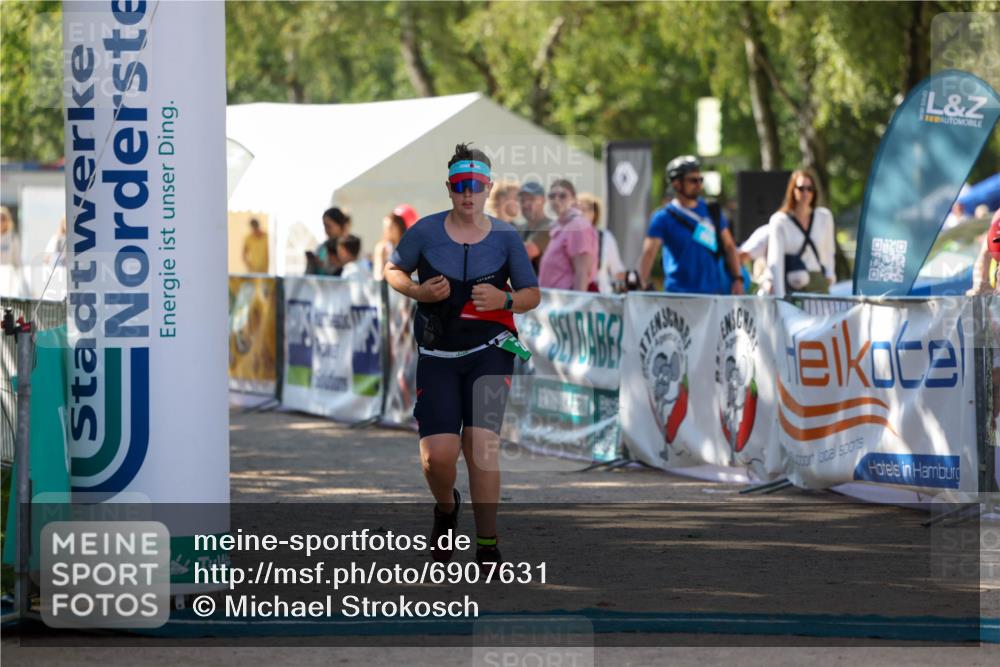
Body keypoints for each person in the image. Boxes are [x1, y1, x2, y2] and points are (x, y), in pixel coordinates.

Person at [383, 143, 540, 567]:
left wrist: (504, 300)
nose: (467, 194)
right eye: (458, 186)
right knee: (438, 457)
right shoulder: (425, 232)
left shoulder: (506, 237)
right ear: (448, 188)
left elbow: (532, 294)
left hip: (490, 353)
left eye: (474, 185)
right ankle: (446, 509)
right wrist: (417, 290)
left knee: (481, 446)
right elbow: (392, 270)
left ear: (487, 188)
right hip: (437, 354)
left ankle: (487, 546)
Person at [637, 156, 745, 295]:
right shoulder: (662, 217)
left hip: (712, 294)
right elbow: (649, 253)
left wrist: (738, 279)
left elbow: (729, 246)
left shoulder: (712, 210)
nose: (698, 184)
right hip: (678, 295)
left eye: (701, 180)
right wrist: (641, 284)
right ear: (676, 183)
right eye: (693, 180)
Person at [765, 169, 836, 297]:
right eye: (801, 188)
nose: (805, 193)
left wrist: (830, 275)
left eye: (810, 189)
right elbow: (775, 261)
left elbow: (829, 250)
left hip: (818, 284)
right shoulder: (779, 220)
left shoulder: (824, 216)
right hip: (792, 286)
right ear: (792, 190)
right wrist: (781, 297)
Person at [538, 180, 598, 291]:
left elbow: (582, 272)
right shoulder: (561, 226)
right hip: (554, 302)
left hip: (566, 302)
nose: (556, 200)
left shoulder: (578, 225)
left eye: (562, 196)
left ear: (574, 199)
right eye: (552, 196)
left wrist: (576, 306)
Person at [578, 193, 625, 294]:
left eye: (584, 210)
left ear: (594, 214)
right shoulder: (567, 237)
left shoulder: (605, 237)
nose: (580, 214)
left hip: (599, 297)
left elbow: (617, 270)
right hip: (572, 295)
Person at [518, 181, 552, 271]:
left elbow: (526, 252)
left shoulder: (550, 227)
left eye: (531, 199)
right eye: (522, 200)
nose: (525, 204)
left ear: (543, 200)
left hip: (543, 284)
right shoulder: (520, 228)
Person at [307, 207, 350, 275]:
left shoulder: (351, 248)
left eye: (329, 226)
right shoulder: (321, 248)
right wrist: (313, 264)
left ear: (339, 226)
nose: (326, 230)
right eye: (324, 226)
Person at [373, 213, 408, 280]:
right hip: (388, 285)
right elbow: (378, 274)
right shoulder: (382, 247)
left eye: (391, 227)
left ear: (399, 226)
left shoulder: (407, 245)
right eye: (386, 227)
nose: (388, 230)